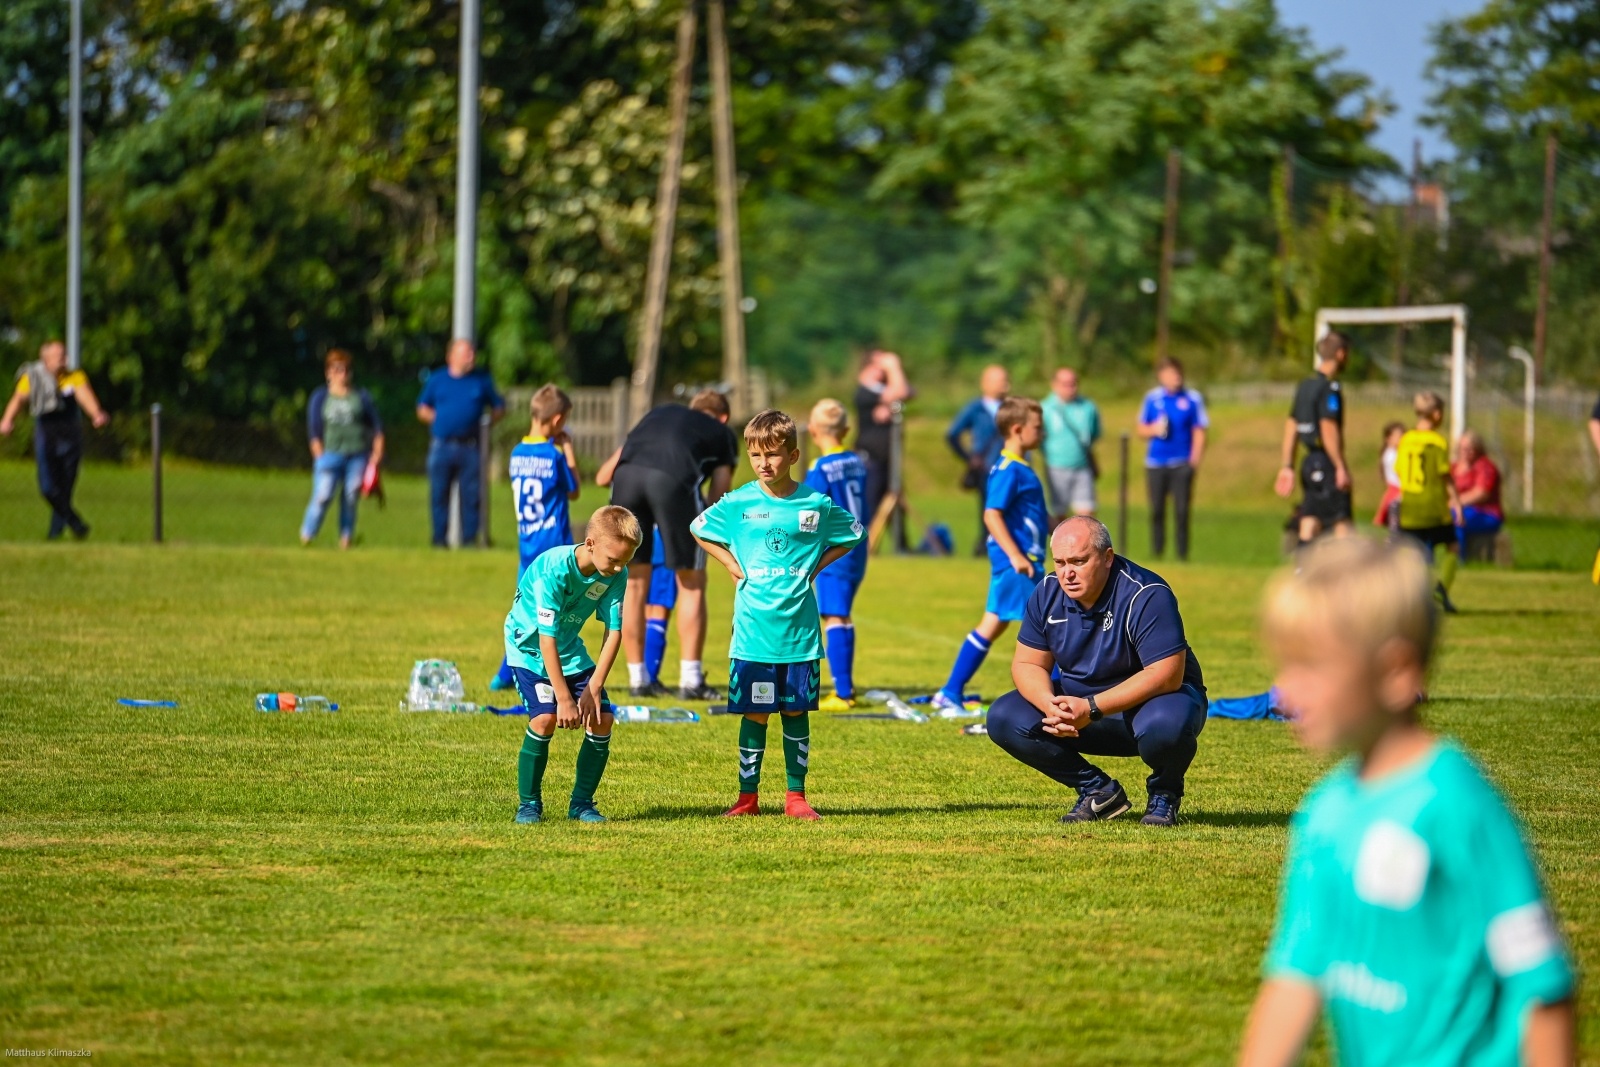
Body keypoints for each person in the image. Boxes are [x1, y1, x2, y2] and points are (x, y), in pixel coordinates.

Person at [1238, 537, 1575, 1067]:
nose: (1282, 691)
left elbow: (1543, 990)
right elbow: (1294, 979)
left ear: (1396, 672)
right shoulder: (1324, 813)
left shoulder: (1457, 806)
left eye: (1312, 667)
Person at [691, 409, 865, 820]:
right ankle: (747, 798)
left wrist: (818, 564)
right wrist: (730, 562)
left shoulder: (815, 505)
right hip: (753, 632)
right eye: (755, 456)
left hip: (799, 634)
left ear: (793, 455)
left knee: (795, 711)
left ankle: (795, 797)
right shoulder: (738, 503)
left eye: (772, 454)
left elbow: (855, 532)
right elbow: (698, 527)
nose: (764, 464)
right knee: (754, 713)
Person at [985, 516, 1207, 827]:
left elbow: (1167, 674)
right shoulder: (1047, 592)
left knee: (1166, 723)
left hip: (1149, 706)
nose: (1068, 573)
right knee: (1004, 716)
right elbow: (1027, 663)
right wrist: (1050, 704)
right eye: (1060, 562)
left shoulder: (1147, 593)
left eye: (1078, 561)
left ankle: (1164, 795)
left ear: (1107, 558)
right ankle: (1098, 790)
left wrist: (1092, 708)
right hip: (1082, 710)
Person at [505, 505, 642, 825]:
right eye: (613, 559)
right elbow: (545, 639)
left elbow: (614, 632)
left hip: (567, 648)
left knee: (603, 718)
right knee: (545, 720)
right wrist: (565, 698)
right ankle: (529, 805)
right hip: (529, 649)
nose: (619, 567)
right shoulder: (553, 570)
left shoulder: (616, 573)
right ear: (591, 543)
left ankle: (581, 804)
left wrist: (593, 689)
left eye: (625, 561)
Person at [604, 389, 739, 700]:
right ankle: (691, 680)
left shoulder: (658, 412)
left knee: (635, 584)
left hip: (625, 479)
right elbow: (718, 496)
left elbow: (606, 473)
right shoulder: (722, 432)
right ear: (723, 417)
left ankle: (639, 679)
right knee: (691, 582)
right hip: (673, 479)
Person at [931, 397, 1049, 717]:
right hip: (1019, 565)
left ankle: (950, 691)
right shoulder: (1010, 469)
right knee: (1052, 631)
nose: (1043, 432)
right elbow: (992, 515)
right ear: (1017, 429)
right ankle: (1061, 700)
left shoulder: (1017, 466)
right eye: (1038, 427)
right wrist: (1017, 556)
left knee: (992, 625)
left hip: (1018, 562)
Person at [489, 384, 581, 691]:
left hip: (527, 546)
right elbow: (574, 490)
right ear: (556, 421)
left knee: (523, 609)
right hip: (553, 546)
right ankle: (550, 673)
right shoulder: (553, 454)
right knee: (555, 612)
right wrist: (568, 449)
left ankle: (506, 671)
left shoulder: (517, 452)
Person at [0, 339, 109, 539]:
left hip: (71, 437)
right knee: (48, 487)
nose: (66, 360)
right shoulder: (32, 377)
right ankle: (75, 521)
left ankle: (55, 534)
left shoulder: (74, 377)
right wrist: (7, 420)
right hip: (46, 436)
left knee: (65, 488)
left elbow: (84, 395)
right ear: (46, 360)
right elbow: (19, 399)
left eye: (65, 356)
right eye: (61, 357)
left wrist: (96, 414)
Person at [803, 398, 870, 711]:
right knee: (842, 613)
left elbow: (809, 513)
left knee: (835, 616)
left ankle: (843, 692)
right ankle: (847, 686)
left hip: (833, 550)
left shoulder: (820, 469)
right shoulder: (857, 462)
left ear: (813, 431)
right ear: (846, 430)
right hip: (856, 547)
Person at [416, 338, 505, 548]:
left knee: (471, 496)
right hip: (442, 446)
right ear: (451, 357)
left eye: (472, 353)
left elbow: (499, 407)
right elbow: (422, 408)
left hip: (470, 447)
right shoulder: (438, 380)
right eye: (467, 354)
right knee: (439, 494)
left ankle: (469, 541)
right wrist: (436, 419)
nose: (471, 357)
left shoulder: (481, 380)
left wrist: (487, 423)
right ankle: (439, 540)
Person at [300, 349, 385, 549]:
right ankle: (308, 533)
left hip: (357, 455)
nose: (342, 374)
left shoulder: (361, 397)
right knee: (323, 494)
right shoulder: (321, 397)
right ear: (328, 372)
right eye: (337, 369)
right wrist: (318, 455)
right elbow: (314, 429)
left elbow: (377, 427)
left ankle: (346, 538)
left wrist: (377, 453)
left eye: (346, 369)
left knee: (350, 497)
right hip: (330, 454)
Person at [1275, 332, 1351, 545]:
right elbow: (1328, 427)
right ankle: (1349, 574)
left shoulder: (1304, 386)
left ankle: (1302, 570)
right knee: (1341, 521)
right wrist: (1340, 466)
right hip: (1326, 461)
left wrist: (1287, 465)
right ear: (1341, 354)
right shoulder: (1330, 388)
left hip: (1308, 463)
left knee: (1311, 519)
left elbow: (1292, 425)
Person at [1395, 392, 1464, 613]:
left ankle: (1409, 597)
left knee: (1411, 553)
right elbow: (1444, 474)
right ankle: (1441, 588)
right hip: (1434, 507)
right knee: (1452, 547)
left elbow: (1399, 471)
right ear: (1436, 415)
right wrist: (1456, 502)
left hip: (1410, 508)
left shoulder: (1405, 440)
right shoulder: (1437, 441)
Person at [1137, 357, 1208, 561]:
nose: (1176, 377)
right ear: (1161, 376)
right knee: (1157, 509)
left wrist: (1193, 461)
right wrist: (1154, 429)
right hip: (1156, 463)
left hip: (1181, 463)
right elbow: (1141, 429)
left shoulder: (1192, 399)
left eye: (1178, 373)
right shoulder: (1152, 398)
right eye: (1171, 373)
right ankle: (1157, 551)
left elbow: (1199, 430)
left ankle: (1182, 553)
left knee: (1182, 510)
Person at [947, 364, 1011, 555]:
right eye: (1001, 380)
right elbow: (952, 434)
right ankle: (985, 547)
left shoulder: (1012, 406)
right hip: (986, 469)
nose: (1006, 385)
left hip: (1009, 467)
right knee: (990, 511)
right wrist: (968, 458)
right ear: (985, 383)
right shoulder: (976, 408)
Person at [853, 349, 914, 542]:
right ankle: (862, 545)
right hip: (870, 459)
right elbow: (901, 392)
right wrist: (894, 366)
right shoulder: (864, 392)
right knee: (869, 505)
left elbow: (909, 392)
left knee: (894, 504)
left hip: (887, 460)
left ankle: (901, 545)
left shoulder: (881, 390)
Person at [1040, 367, 1101, 522]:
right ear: (1054, 385)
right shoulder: (1045, 408)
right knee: (1059, 515)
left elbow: (1094, 434)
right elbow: (1038, 438)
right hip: (1056, 467)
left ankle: (1085, 546)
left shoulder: (1087, 407)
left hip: (1082, 466)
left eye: (1073, 383)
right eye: (1065, 384)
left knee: (1087, 515)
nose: (1070, 388)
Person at [1453, 430, 1504, 559]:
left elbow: (1481, 493)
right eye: (1462, 448)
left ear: (1478, 449)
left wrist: (1454, 502)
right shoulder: (1455, 467)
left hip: (1486, 514)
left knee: (1457, 520)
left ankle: (1460, 560)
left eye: (1470, 449)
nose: (1465, 452)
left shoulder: (1485, 467)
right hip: (1460, 510)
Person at [1372, 422, 1405, 528]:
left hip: (1394, 492)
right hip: (1397, 492)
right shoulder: (1392, 455)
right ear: (1388, 438)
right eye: (1399, 436)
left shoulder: (1390, 453)